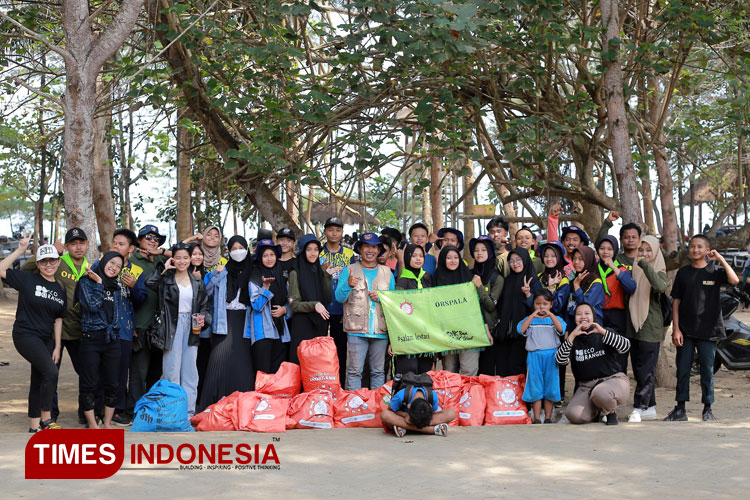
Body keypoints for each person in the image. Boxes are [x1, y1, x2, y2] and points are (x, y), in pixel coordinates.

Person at [666, 234, 739, 422]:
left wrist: (721, 258)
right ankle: (680, 409)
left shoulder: (715, 270)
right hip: (686, 331)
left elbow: (734, 281)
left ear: (707, 250)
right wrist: (676, 329)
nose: (695, 250)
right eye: (692, 246)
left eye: (700, 247)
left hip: (709, 331)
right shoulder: (683, 273)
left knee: (707, 370)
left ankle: (707, 408)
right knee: (683, 369)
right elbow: (676, 301)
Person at [22, 227, 89, 423]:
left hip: (78, 331)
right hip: (52, 331)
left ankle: (85, 413)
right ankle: (49, 415)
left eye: (81, 243)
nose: (78, 247)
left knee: (86, 373)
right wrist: (52, 249)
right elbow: (26, 269)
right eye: (73, 243)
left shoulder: (89, 267)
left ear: (87, 245)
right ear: (66, 247)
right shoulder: (56, 263)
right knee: (48, 373)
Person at [1, 240, 66, 432]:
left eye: (52, 261)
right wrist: (20, 250)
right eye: (43, 262)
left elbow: (58, 319)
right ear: (37, 264)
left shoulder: (60, 289)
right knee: (51, 372)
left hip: (47, 339)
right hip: (25, 334)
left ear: (58, 262)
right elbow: (1, 268)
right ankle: (47, 419)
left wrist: (57, 347)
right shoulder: (27, 279)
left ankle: (34, 426)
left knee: (39, 378)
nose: (48, 265)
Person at [146, 243, 211, 417]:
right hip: (171, 327)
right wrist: (163, 268)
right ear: (173, 258)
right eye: (178, 257)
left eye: (185, 257)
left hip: (192, 326)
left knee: (190, 371)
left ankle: (188, 413)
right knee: (171, 370)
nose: (182, 261)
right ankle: (172, 412)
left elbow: (204, 305)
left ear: (190, 259)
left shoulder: (197, 280)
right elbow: (149, 283)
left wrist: (204, 319)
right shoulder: (166, 278)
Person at [198, 235, 254, 411]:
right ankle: (212, 403)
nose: (238, 251)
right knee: (218, 360)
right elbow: (205, 291)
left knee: (243, 362)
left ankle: (244, 404)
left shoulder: (253, 270)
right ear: (228, 251)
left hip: (246, 320)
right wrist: (216, 274)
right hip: (224, 320)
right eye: (234, 248)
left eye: (241, 247)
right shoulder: (222, 270)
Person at [335, 232, 395, 390]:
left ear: (379, 250)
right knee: (355, 372)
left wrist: (382, 298)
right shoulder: (349, 270)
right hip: (356, 330)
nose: (370, 250)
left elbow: (395, 302)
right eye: (366, 246)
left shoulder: (387, 272)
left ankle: (375, 408)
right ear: (360, 249)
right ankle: (355, 408)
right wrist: (348, 284)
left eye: (374, 247)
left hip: (380, 331)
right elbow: (339, 298)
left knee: (378, 372)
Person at [555, 302, 631, 425]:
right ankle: (596, 410)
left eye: (587, 313)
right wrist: (572, 336)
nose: (583, 317)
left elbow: (625, 346)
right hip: (587, 387)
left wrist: (603, 332)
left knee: (601, 393)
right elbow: (560, 360)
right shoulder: (573, 340)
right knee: (573, 415)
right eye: (579, 314)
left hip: (613, 381)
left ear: (593, 317)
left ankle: (610, 412)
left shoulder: (604, 333)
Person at [76, 251, 125, 429]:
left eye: (118, 266)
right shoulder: (86, 282)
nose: (114, 268)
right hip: (91, 337)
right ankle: (93, 425)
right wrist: (99, 284)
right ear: (103, 262)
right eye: (111, 263)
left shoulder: (117, 287)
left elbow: (116, 313)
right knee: (89, 383)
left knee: (113, 382)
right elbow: (92, 306)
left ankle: (107, 423)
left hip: (112, 338)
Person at [104, 228, 148, 426]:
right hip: (102, 328)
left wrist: (132, 287)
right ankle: (95, 410)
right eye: (114, 243)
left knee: (121, 372)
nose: (115, 247)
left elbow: (141, 300)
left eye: (120, 244)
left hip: (124, 329)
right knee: (101, 370)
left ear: (130, 248)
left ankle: (117, 410)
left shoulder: (136, 271)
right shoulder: (101, 265)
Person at [625, 235, 667, 423]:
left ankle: (639, 407)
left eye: (648, 250)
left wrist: (645, 265)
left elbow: (659, 286)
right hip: (633, 327)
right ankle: (650, 407)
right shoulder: (634, 269)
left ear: (656, 252)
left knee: (646, 371)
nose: (643, 254)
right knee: (638, 368)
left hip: (650, 327)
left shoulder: (659, 270)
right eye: (641, 250)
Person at [128, 225, 169, 414]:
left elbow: (182, 252)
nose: (153, 241)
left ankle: (149, 409)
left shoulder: (162, 259)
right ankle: (135, 409)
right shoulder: (131, 261)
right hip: (140, 325)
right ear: (139, 241)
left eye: (156, 239)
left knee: (155, 371)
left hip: (160, 327)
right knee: (139, 372)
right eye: (148, 238)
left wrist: (160, 251)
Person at [482, 248, 540, 376]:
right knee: (504, 369)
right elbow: (500, 305)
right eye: (511, 261)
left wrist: (529, 295)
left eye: (518, 260)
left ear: (525, 260)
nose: (515, 263)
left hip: (524, 335)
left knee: (519, 370)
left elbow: (539, 309)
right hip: (505, 334)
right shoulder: (507, 280)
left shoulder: (534, 281)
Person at [518, 288, 566, 423]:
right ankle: (537, 418)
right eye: (538, 304)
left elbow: (561, 329)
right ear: (533, 305)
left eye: (545, 304)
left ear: (551, 304)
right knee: (535, 386)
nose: (541, 307)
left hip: (551, 356)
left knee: (550, 386)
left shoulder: (556, 319)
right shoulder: (529, 320)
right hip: (534, 356)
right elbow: (521, 329)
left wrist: (551, 315)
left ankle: (549, 418)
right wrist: (532, 316)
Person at [320, 216, 356, 384]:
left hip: (342, 309)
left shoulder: (349, 254)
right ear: (324, 231)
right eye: (330, 229)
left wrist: (348, 310)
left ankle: (339, 385)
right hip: (322, 308)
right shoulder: (317, 252)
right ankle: (321, 383)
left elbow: (354, 281)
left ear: (342, 232)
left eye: (338, 230)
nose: (334, 233)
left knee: (341, 350)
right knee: (320, 350)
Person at [248, 239, 291, 375]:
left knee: (278, 373)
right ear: (260, 258)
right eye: (265, 256)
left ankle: (276, 397)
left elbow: (291, 300)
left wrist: (285, 310)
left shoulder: (281, 275)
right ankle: (262, 397)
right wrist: (265, 288)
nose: (269, 259)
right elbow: (256, 305)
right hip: (263, 332)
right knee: (263, 373)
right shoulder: (255, 277)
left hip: (280, 331)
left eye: (272, 255)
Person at [434, 245, 478, 376]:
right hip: (446, 333)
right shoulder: (436, 279)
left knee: (469, 370)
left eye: (455, 257)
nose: (453, 261)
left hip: (469, 331)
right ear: (442, 260)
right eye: (448, 258)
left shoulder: (468, 278)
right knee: (449, 371)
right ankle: (451, 397)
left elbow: (477, 305)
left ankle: (467, 397)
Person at [288, 234, 332, 364]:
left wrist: (327, 277)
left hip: (320, 325)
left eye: (316, 249)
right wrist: (314, 305)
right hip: (302, 325)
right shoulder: (295, 272)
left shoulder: (320, 271)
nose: (313, 253)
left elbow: (327, 299)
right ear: (302, 251)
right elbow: (294, 304)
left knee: (317, 367)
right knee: (301, 365)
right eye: (309, 249)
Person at [393, 243, 435, 375]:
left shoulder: (428, 278)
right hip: (407, 336)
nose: (418, 259)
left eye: (421, 256)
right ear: (407, 257)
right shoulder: (402, 281)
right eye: (414, 255)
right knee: (408, 372)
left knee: (425, 371)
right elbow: (396, 312)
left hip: (426, 334)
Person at [380, 379, 455, 437]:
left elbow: (433, 414)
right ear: (409, 406)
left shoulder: (433, 397)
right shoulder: (400, 396)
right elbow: (390, 410)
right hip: (406, 418)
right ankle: (432, 430)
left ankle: (405, 427)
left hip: (411, 421)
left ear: (430, 405)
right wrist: (405, 415)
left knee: (451, 413)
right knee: (385, 415)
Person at [595, 235, 636, 337]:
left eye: (610, 249)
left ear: (615, 251)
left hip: (617, 315)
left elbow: (631, 288)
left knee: (617, 348)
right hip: (598, 314)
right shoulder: (594, 269)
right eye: (602, 248)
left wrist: (613, 267)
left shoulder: (620, 269)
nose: (605, 252)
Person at [470, 236, 503, 336]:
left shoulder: (497, 278)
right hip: (471, 328)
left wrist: (479, 286)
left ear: (490, 252)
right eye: (476, 250)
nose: (479, 253)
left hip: (490, 330)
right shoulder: (469, 274)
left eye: (484, 250)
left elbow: (490, 306)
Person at [569, 247, 605, 325]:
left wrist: (577, 286)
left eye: (581, 259)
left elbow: (584, 306)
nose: (576, 262)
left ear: (588, 259)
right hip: (575, 323)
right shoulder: (575, 279)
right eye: (574, 258)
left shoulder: (596, 282)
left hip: (592, 324)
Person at [537, 241, 570, 316]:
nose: (549, 259)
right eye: (546, 256)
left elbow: (557, 308)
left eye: (553, 256)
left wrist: (551, 288)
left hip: (555, 323)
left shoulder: (563, 281)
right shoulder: (539, 277)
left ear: (559, 257)